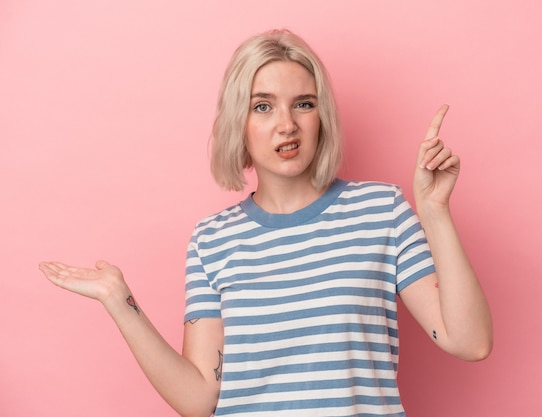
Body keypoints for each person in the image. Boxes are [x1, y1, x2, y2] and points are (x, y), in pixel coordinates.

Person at [39, 29, 493, 417]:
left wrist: (434, 211)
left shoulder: (382, 211)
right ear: (239, 122)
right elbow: (199, 398)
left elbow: (469, 342)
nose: (287, 125)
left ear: (322, 117)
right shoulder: (211, 241)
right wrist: (121, 302)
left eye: (303, 104)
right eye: (263, 106)